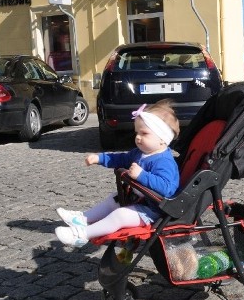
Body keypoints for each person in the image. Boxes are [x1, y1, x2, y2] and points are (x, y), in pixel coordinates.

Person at [55, 99, 180, 247]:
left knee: (120, 215)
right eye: (137, 133)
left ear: (162, 139)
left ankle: (82, 234)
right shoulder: (140, 153)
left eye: (144, 133)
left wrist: (141, 175)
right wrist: (100, 158)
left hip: (155, 210)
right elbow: (121, 158)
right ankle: (83, 218)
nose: (138, 137)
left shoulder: (163, 162)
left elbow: (167, 187)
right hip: (140, 199)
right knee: (113, 200)